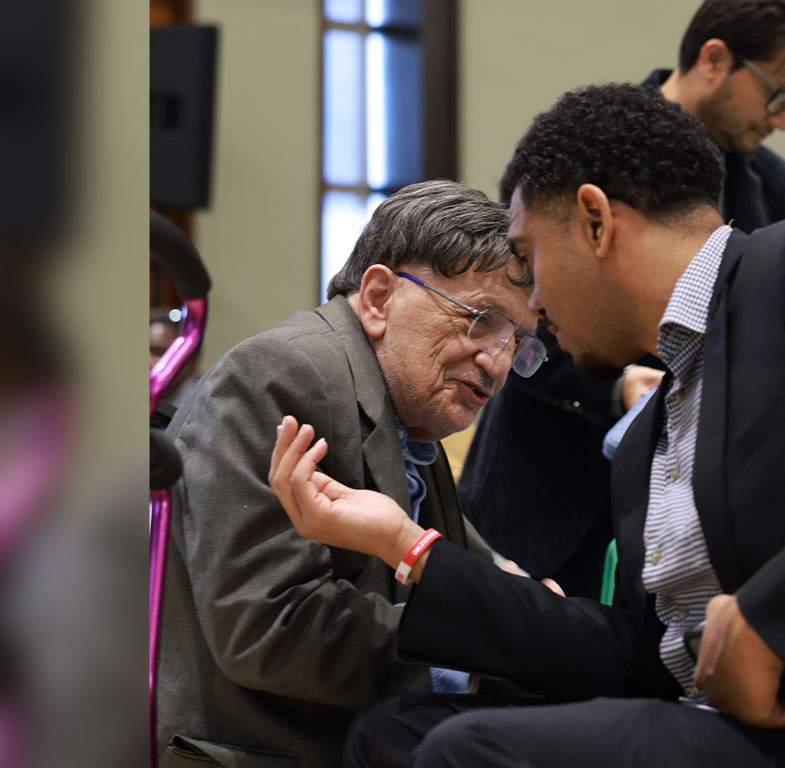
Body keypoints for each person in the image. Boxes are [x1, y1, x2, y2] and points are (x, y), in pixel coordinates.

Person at [271, 84, 785, 767]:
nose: (533, 302)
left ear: (595, 222)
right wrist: (405, 543)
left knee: (463, 752)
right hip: (693, 717)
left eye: (530, 260)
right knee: (394, 733)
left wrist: (775, 612)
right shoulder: (645, 439)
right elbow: (629, 656)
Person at [156, 180, 546, 767]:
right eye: (480, 319)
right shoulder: (282, 375)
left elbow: (474, 582)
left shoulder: (412, 416)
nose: (497, 361)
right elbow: (268, 628)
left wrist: (532, 616)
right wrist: (480, 640)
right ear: (379, 296)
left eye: (518, 340)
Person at [458, 0, 785, 600]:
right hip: (553, 483)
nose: (782, 120)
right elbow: (524, 313)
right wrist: (618, 387)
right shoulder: (582, 145)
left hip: (694, 488)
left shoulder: (778, 190)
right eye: (777, 93)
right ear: (714, 59)